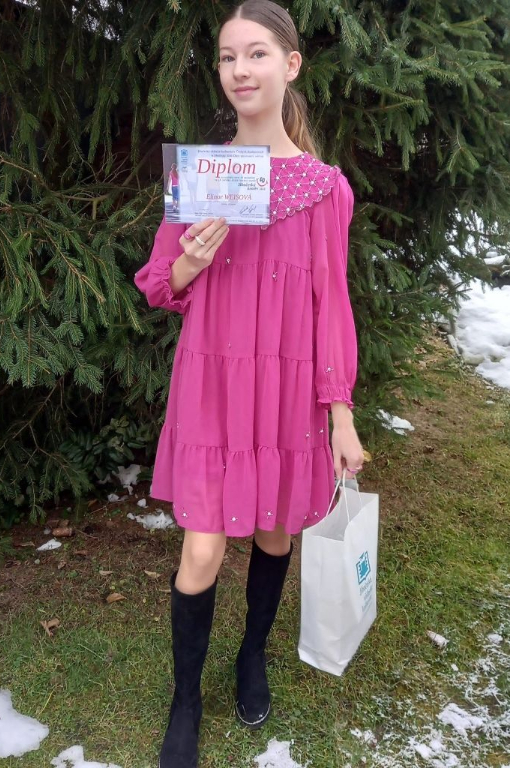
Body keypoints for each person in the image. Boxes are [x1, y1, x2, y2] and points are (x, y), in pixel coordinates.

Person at [133, 2, 365, 766]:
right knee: (202, 550)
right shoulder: (204, 175)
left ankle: (252, 654)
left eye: (257, 53)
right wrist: (191, 262)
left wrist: (340, 414)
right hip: (214, 382)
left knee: (273, 530)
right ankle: (185, 699)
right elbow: (160, 282)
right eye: (229, 56)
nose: (240, 69)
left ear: (290, 65)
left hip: (288, 391)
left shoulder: (326, 190)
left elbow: (331, 304)